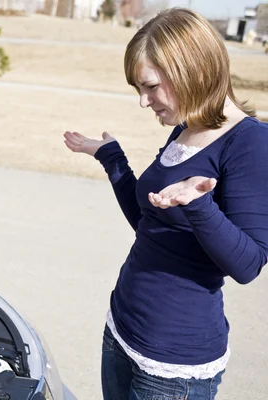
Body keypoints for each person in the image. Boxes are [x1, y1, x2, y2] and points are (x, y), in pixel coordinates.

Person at [63, 8, 268, 400]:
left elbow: (249, 264)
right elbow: (149, 224)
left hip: (173, 369)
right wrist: (112, 158)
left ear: (193, 69)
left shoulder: (251, 143)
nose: (143, 102)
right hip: (122, 329)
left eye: (151, 86)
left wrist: (199, 204)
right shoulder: (186, 128)